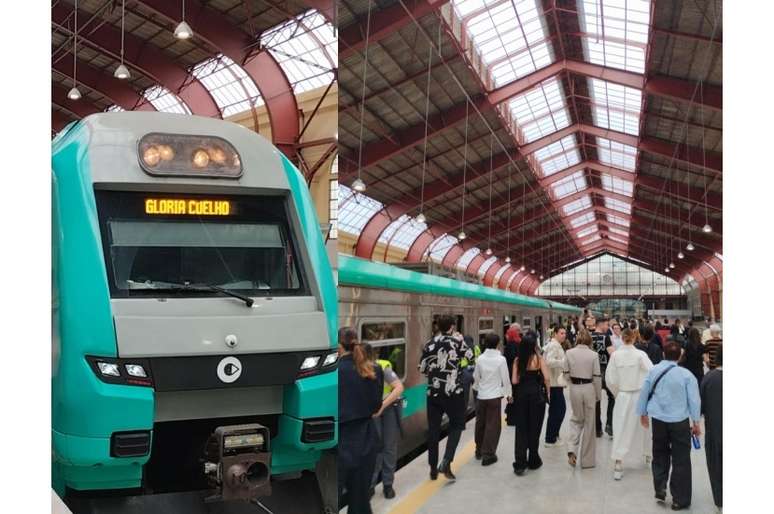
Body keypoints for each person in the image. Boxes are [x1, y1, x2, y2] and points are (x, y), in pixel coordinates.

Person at [637, 341, 701, 511]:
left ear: (664, 354)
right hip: (679, 421)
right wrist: (696, 422)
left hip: (658, 420)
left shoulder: (654, 370)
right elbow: (694, 400)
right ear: (680, 356)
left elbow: (644, 392)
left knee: (659, 453)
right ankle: (679, 499)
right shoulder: (687, 375)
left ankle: (660, 488)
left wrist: (642, 413)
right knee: (681, 459)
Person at [419, 315, 474, 481]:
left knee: (434, 431)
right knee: (457, 426)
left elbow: (422, 368)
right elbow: (471, 357)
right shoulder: (458, 342)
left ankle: (432, 470)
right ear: (452, 326)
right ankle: (446, 461)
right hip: (453, 393)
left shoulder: (430, 344)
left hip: (433, 394)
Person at [338, 328, 384, 514]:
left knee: (331, 498)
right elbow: (375, 408)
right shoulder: (374, 370)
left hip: (339, 442)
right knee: (360, 501)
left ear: (339, 347)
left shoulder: (334, 371)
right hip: (366, 441)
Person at [605, 328, 653, 480]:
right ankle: (647, 456)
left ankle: (618, 463)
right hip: (639, 395)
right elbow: (651, 373)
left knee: (620, 427)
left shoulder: (615, 356)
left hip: (623, 396)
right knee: (644, 427)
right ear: (634, 338)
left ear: (622, 338)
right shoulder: (641, 355)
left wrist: (617, 392)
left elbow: (610, 378)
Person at [366, 344, 405, 500]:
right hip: (372, 411)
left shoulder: (383, 367)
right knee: (375, 448)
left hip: (388, 408)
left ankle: (388, 485)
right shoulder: (357, 369)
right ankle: (370, 485)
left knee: (388, 446)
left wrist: (382, 406)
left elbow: (398, 387)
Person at [511, 330, 551, 475]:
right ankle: (533, 459)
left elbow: (514, 381)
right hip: (536, 396)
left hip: (521, 396)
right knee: (535, 427)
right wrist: (548, 393)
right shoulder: (539, 359)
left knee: (521, 429)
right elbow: (547, 378)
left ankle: (520, 463)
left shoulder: (517, 360)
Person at [564, 329, 602, 469]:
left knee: (576, 419)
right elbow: (597, 377)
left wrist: (571, 383)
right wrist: (598, 395)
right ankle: (587, 461)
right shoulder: (594, 355)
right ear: (589, 341)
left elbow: (566, 373)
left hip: (574, 388)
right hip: (589, 388)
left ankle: (571, 449)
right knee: (589, 424)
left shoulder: (569, 353)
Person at [472, 333, 511, 466]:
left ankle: (478, 450)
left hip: (481, 396)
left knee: (480, 423)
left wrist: (477, 388)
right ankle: (488, 455)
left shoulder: (480, 359)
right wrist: (508, 395)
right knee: (492, 425)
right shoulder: (501, 360)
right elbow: (505, 379)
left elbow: (476, 377)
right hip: (494, 396)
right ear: (498, 344)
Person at [700, 346, 722, 511]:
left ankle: (720, 499)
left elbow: (700, 406)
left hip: (715, 431)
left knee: (716, 463)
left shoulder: (709, 378)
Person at [543, 326, 568, 447]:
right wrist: (562, 362)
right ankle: (550, 438)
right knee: (558, 411)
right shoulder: (554, 345)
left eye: (565, 333)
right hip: (554, 384)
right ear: (555, 334)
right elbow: (548, 361)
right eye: (561, 333)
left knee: (557, 410)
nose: (564, 335)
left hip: (556, 383)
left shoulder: (555, 344)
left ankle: (553, 435)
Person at [591, 317, 614, 438]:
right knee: (612, 397)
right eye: (607, 324)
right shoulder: (606, 337)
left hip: (592, 372)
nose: (608, 327)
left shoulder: (589, 336)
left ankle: (597, 429)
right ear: (601, 325)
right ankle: (609, 425)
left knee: (596, 400)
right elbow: (612, 354)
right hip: (605, 371)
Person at [503, 323, 521, 426]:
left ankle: (510, 417)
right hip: (516, 372)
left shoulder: (510, 345)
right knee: (515, 395)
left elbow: (508, 358)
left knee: (511, 395)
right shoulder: (518, 343)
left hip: (510, 372)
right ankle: (513, 416)